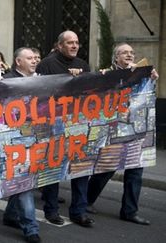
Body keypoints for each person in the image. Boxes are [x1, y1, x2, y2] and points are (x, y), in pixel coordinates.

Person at [86, 43, 158, 226]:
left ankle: (130, 211)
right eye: (125, 52)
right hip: (114, 129)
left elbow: (149, 98)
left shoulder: (142, 73)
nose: (129, 55)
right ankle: (86, 201)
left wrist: (151, 80)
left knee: (135, 171)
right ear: (116, 57)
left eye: (132, 53)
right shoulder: (107, 74)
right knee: (106, 169)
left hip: (138, 129)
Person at [35, 30, 94, 227]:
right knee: (53, 167)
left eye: (77, 42)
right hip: (54, 125)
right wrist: (65, 79)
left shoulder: (83, 65)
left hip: (77, 124)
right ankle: (51, 210)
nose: (74, 46)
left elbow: (89, 93)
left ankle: (79, 211)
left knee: (80, 169)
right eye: (70, 43)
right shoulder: (47, 64)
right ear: (59, 46)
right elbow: (40, 93)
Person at [0, 47, 41, 243]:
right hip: (12, 139)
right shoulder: (6, 82)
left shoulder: (41, 80)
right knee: (25, 182)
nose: (34, 61)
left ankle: (10, 215)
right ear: (18, 62)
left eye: (35, 58)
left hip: (32, 137)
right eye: (29, 58)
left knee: (24, 179)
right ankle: (31, 228)